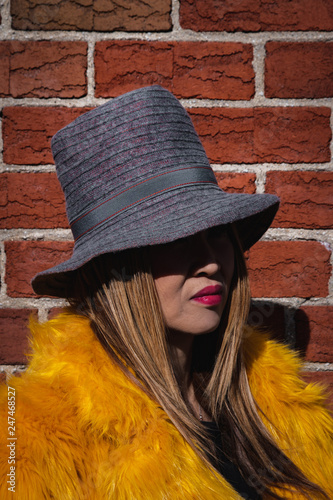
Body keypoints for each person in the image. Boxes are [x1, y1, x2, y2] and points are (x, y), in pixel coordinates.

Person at [0, 85, 332, 499]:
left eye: (217, 235)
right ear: (118, 266)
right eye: (176, 240)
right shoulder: (32, 435)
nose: (211, 261)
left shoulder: (273, 404)